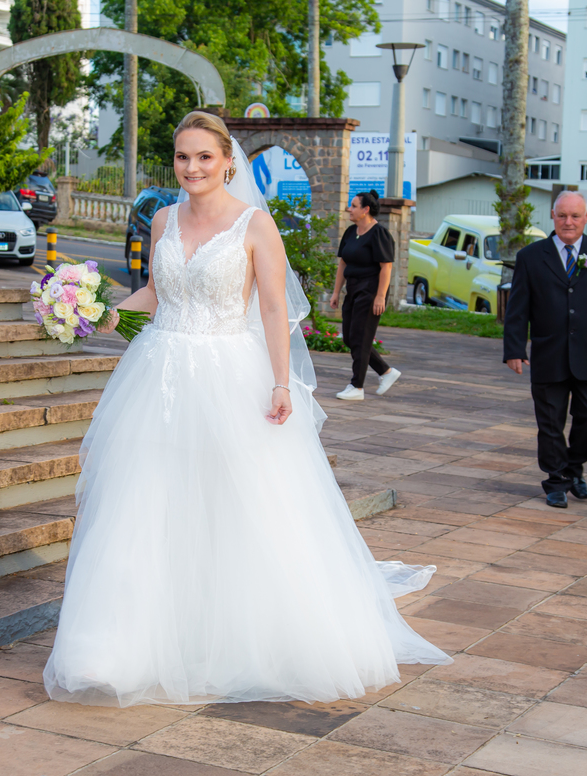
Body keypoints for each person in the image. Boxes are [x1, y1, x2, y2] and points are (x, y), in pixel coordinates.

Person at [42, 111, 450, 708]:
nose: (192, 168)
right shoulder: (162, 220)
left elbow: (274, 311)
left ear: (228, 160)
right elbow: (156, 293)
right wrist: (94, 310)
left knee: (239, 501)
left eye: (204, 157)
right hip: (157, 371)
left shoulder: (255, 226)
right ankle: (115, 649)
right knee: (144, 499)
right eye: (183, 157)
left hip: (229, 373)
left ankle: (239, 634)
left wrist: (282, 383)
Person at [503, 191, 587, 509]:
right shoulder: (531, 256)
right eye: (562, 215)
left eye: (575, 216)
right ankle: (556, 479)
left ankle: (574, 467)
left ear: (586, 218)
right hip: (549, 352)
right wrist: (514, 348)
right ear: (552, 215)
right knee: (550, 421)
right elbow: (518, 308)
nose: (568, 222)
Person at [330, 190, 402, 401]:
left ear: (365, 210)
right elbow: (343, 262)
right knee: (351, 338)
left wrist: (380, 296)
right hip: (352, 288)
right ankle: (386, 372)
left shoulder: (380, 234)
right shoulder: (351, 232)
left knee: (361, 337)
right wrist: (336, 292)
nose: (348, 209)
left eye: (353, 205)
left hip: (371, 290)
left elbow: (386, 267)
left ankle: (357, 386)